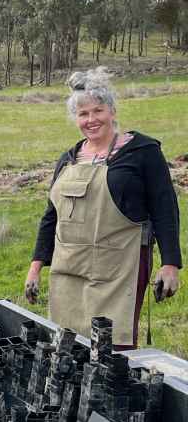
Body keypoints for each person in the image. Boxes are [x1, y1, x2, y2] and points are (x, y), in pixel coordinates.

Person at [25, 68, 181, 349]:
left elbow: (165, 207)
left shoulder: (142, 152)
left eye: (98, 110)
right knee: (66, 347)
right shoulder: (69, 159)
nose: (91, 120)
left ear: (112, 110)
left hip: (120, 270)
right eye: (83, 114)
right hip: (69, 270)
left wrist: (170, 264)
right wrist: (35, 267)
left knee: (111, 351)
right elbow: (51, 217)